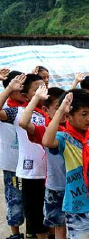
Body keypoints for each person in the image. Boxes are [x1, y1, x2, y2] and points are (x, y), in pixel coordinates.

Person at [42, 89, 89, 238]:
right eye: (83, 114)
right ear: (69, 116)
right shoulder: (63, 138)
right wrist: (61, 110)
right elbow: (47, 141)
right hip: (76, 207)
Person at [0, 74, 49, 239]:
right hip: (31, 174)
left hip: (53, 174)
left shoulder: (51, 112)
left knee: (52, 212)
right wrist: (8, 89)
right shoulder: (19, 112)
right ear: (25, 95)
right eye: (37, 89)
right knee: (36, 215)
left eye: (44, 87)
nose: (42, 91)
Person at [19, 86, 67, 239]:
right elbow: (24, 123)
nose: (64, 111)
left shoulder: (73, 126)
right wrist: (35, 98)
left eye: (66, 107)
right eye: (58, 108)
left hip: (75, 185)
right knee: (59, 225)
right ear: (47, 110)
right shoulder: (46, 130)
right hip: (57, 185)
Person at [0, 71, 25, 239]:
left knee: (33, 200)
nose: (23, 91)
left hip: (31, 164)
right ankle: (16, 234)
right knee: (14, 199)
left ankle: (33, 230)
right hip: (12, 165)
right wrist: (8, 88)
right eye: (19, 88)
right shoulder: (5, 108)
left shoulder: (31, 106)